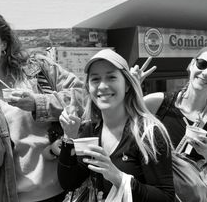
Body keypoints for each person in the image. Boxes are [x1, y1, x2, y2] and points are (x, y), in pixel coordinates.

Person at [0, 11, 84, 202]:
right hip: (16, 196)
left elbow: (83, 98)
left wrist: (38, 103)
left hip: (68, 190)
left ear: (3, 44)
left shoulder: (37, 69)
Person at [57, 49, 175, 201]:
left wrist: (119, 178)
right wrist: (69, 137)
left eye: (111, 77)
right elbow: (69, 182)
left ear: (127, 86)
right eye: (95, 79)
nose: (102, 86)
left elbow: (166, 197)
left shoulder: (148, 133)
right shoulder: (90, 130)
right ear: (88, 88)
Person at [133, 45, 207, 184]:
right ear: (191, 64)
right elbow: (121, 132)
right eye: (202, 64)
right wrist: (130, 89)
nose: (206, 73)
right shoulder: (156, 103)